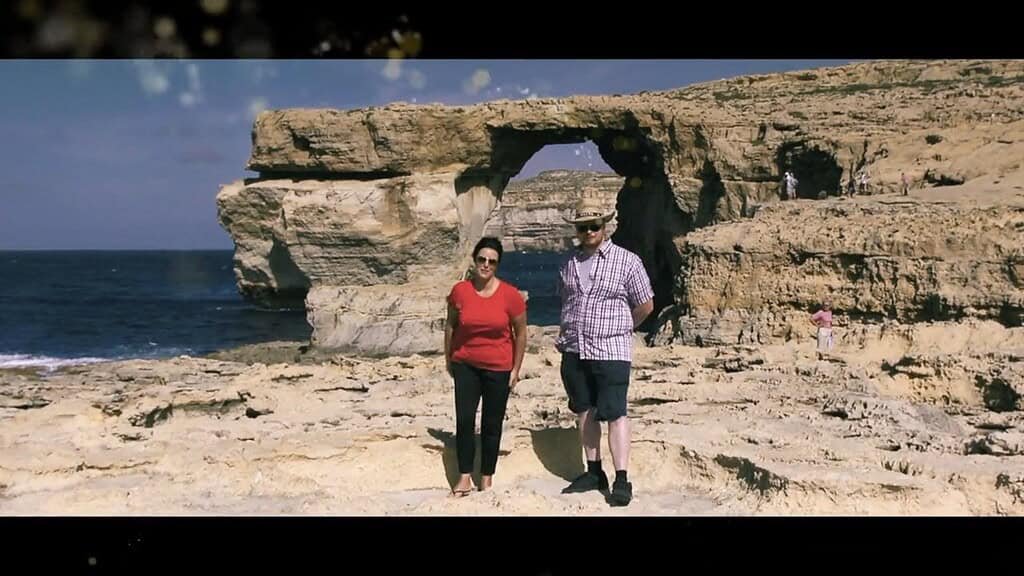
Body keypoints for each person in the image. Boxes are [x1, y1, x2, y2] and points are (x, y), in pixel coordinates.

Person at [556, 197, 654, 506]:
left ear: (605, 226)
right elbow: (567, 301)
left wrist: (623, 328)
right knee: (584, 410)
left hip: (611, 349)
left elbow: (645, 305)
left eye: (594, 226)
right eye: (583, 228)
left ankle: (622, 479)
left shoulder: (627, 261)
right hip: (575, 348)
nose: (589, 232)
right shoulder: (568, 264)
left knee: (615, 413)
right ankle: (594, 471)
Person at [444, 236, 528, 496]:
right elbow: (450, 326)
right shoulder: (460, 291)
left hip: (499, 368)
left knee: (492, 424)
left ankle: (487, 477)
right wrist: (449, 359)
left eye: (492, 261)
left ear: (498, 265)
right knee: (465, 421)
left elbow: (521, 333)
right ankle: (465, 476)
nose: (486, 265)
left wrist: (515, 369)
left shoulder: (511, 296)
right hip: (465, 365)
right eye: (482, 259)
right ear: (474, 260)